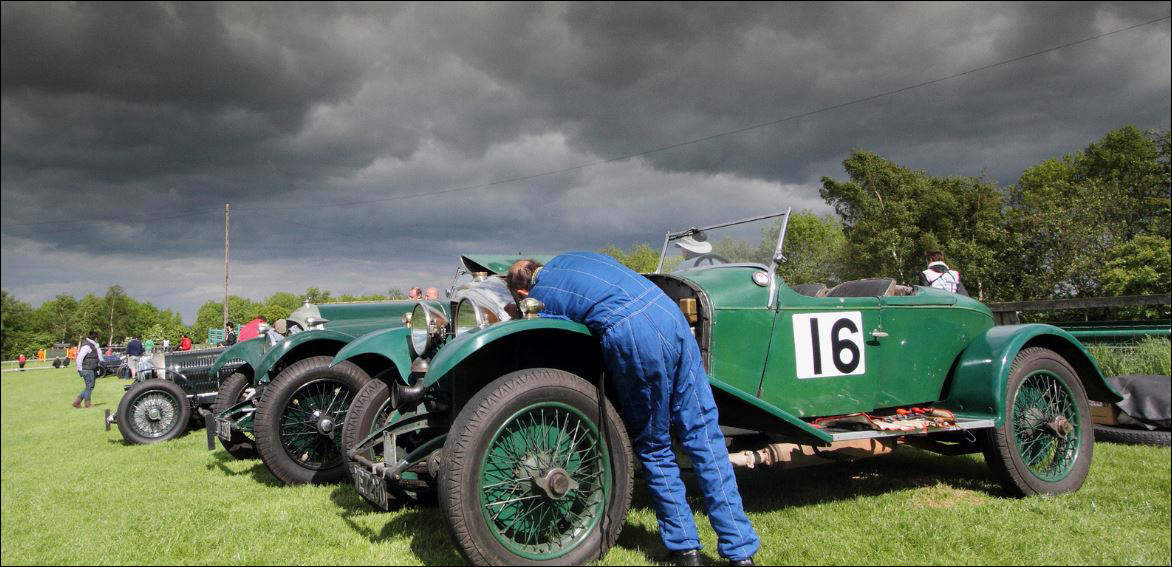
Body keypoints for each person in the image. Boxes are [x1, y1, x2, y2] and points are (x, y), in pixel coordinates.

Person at [507, 254, 758, 566]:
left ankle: (685, 548)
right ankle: (740, 550)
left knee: (654, 446)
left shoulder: (541, 296)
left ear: (522, 293)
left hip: (634, 334)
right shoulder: (570, 259)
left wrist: (518, 312)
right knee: (704, 436)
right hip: (669, 314)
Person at [74, 331, 101, 408]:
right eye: (98, 338)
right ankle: (87, 404)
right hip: (87, 369)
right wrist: (79, 369)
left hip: (90, 368)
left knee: (89, 387)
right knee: (90, 387)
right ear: (95, 338)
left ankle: (77, 402)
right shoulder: (87, 346)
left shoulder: (91, 345)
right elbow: (79, 358)